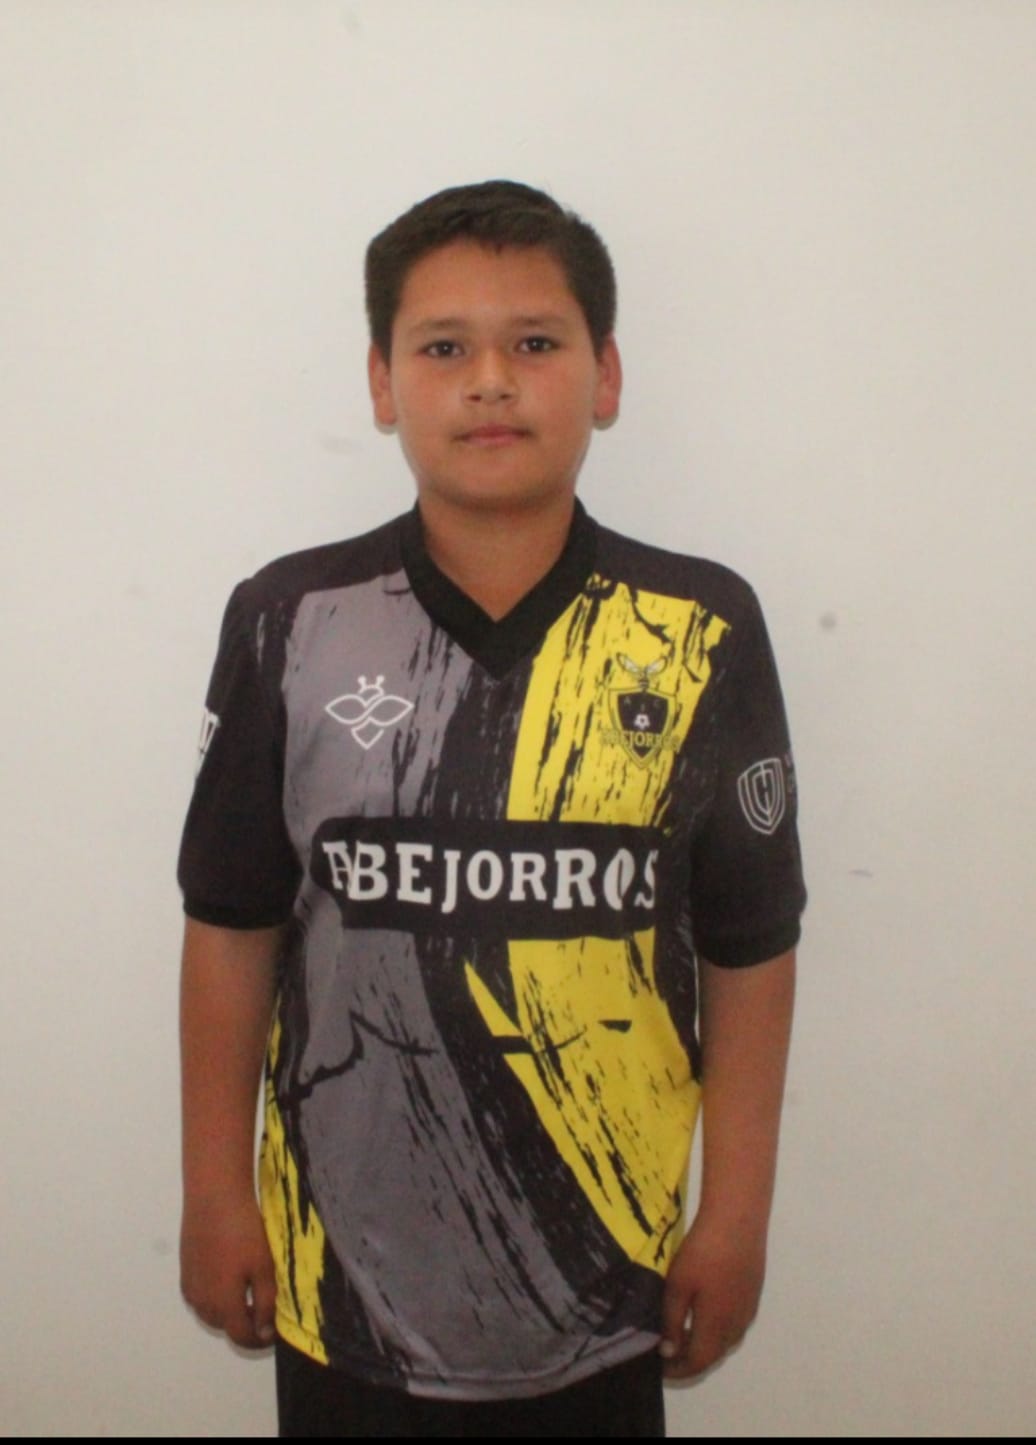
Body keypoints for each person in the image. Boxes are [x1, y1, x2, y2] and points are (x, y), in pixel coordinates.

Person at [178, 180, 805, 1438]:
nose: (490, 382)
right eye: (442, 348)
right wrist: (213, 1192)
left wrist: (734, 1217)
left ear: (603, 374)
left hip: (608, 1281)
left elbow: (750, 948)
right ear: (382, 381)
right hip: (339, 1280)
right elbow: (231, 927)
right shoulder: (288, 620)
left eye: (534, 342)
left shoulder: (699, 629)